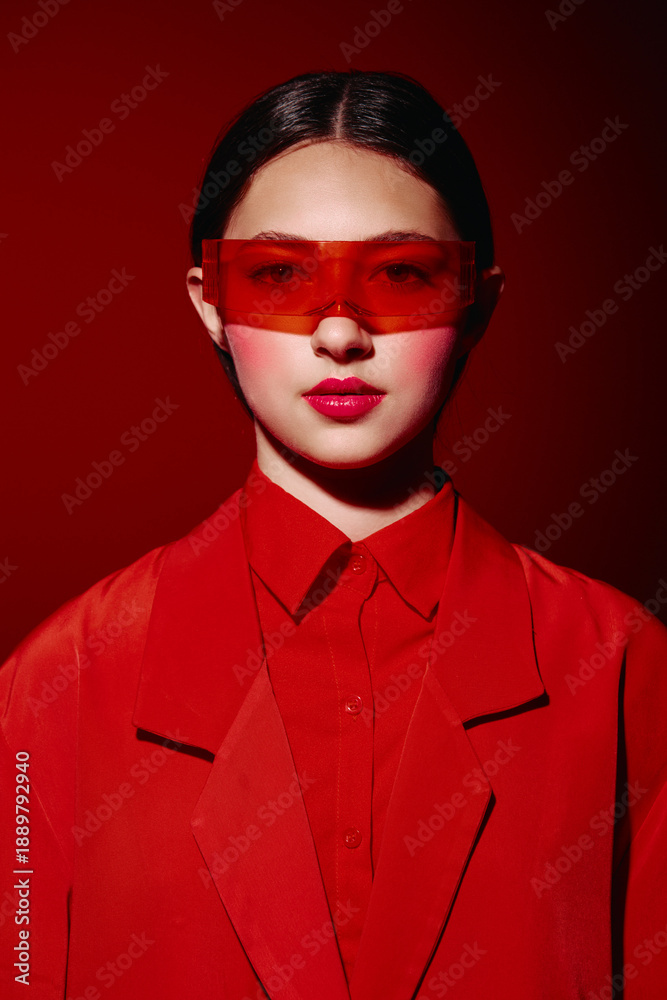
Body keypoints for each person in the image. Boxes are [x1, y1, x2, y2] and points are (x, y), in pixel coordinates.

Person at [1, 69, 666, 1000]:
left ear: (476, 300)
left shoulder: (624, 667)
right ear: (207, 301)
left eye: (400, 274)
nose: (341, 330)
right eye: (280, 276)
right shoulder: (57, 682)